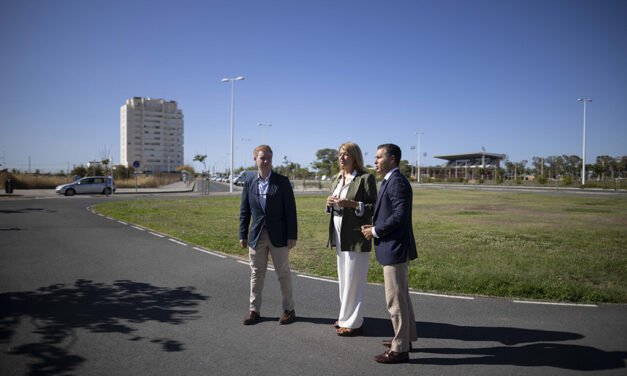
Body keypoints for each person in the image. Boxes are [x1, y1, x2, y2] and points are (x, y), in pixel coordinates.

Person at [362, 143, 417, 364]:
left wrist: (375, 230)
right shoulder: (390, 180)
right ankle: (406, 338)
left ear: (392, 160)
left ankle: (400, 349)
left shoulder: (396, 182)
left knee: (395, 300)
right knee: (401, 297)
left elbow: (399, 215)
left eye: (378, 157)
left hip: (394, 247)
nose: (375, 161)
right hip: (393, 247)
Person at [240, 145, 298, 325]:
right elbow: (245, 210)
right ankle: (254, 310)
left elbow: (290, 210)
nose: (266, 162)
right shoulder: (249, 182)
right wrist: (243, 234)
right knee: (256, 273)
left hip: (279, 235)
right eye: (262, 158)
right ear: (255, 159)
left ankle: (289, 310)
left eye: (269, 159)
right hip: (257, 235)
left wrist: (292, 235)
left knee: (283, 273)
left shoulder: (282, 181)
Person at [326, 142, 377, 336]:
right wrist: (329, 203)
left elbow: (374, 207)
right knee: (343, 277)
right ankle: (344, 316)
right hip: (339, 233)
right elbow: (333, 207)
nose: (341, 158)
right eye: (340, 154)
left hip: (357, 235)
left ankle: (354, 323)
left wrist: (353, 204)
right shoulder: (336, 178)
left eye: (345, 154)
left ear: (355, 157)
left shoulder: (365, 179)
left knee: (354, 279)